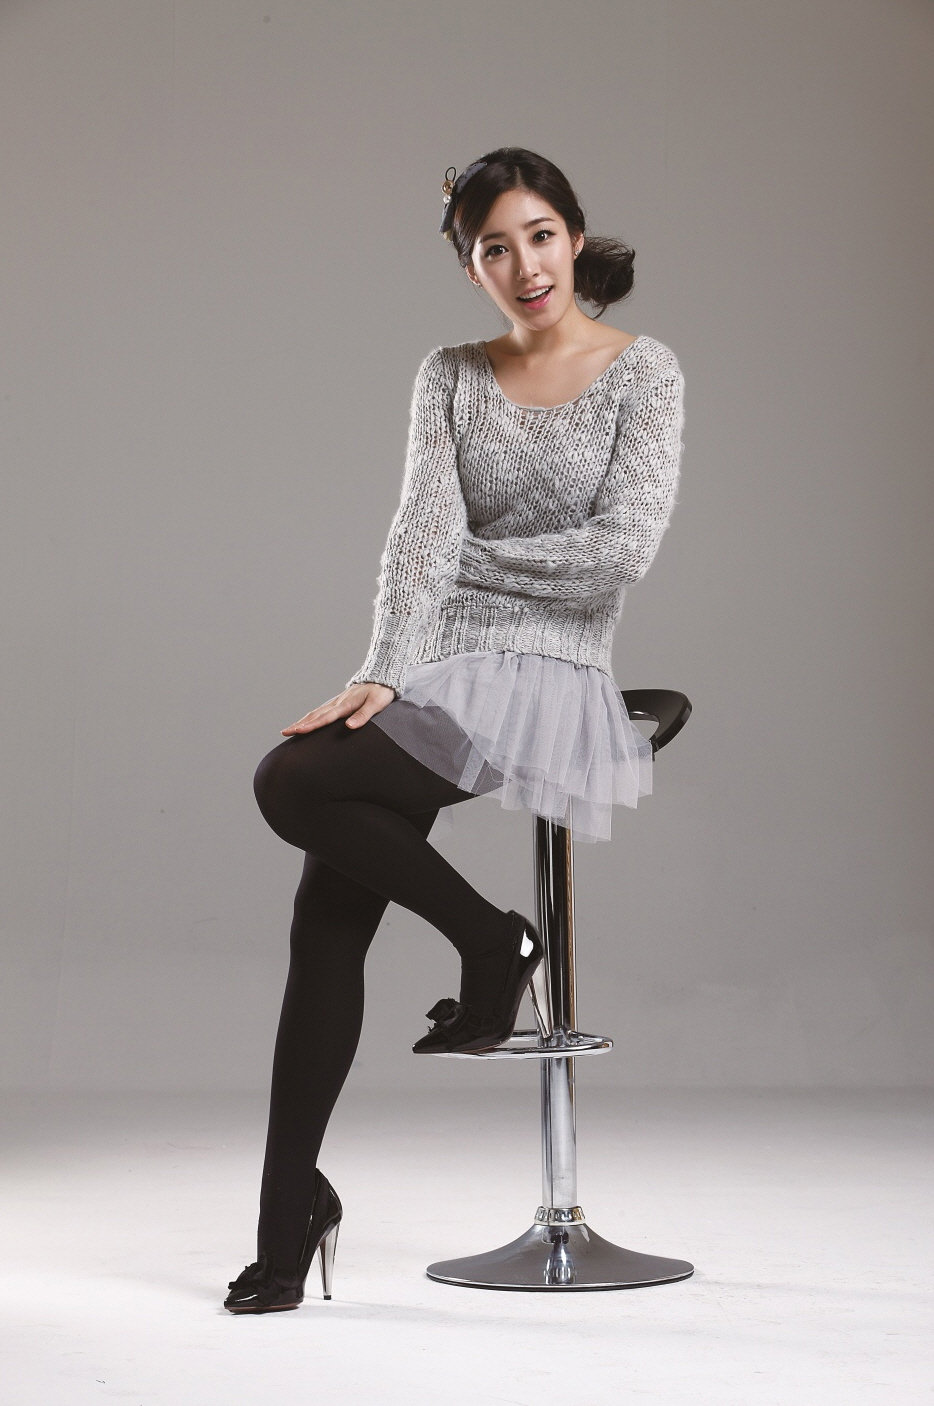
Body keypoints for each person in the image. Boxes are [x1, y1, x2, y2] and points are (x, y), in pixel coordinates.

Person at [223, 147, 686, 1313]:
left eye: (539, 235)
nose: (523, 265)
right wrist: (381, 670)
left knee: (291, 784)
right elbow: (416, 534)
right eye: (493, 247)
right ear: (467, 263)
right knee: (325, 917)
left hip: (552, 667)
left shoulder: (643, 372)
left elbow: (619, 550)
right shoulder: (450, 374)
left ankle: (492, 943)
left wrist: (471, 569)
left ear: (572, 233)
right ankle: (287, 1222)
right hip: (436, 668)